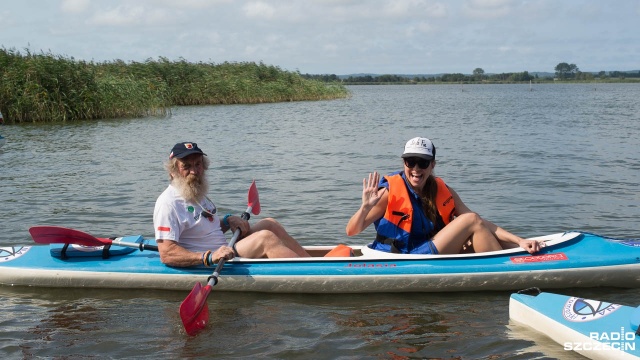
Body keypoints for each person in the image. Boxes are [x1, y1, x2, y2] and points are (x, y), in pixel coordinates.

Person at [346, 137, 542, 255]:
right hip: (403, 256)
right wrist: (365, 207)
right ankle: (511, 271)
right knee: (470, 220)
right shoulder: (389, 193)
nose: (415, 169)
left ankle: (522, 252)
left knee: (477, 229)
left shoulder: (441, 189)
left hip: (428, 250)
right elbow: (352, 231)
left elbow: (481, 223)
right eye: (410, 162)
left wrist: (519, 240)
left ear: (432, 165)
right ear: (404, 163)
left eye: (422, 163)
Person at [154, 142, 310, 268]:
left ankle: (311, 261)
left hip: (226, 250)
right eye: (186, 166)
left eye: (198, 164)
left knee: (269, 224)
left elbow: (205, 230)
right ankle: (310, 273)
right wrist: (207, 257)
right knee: (266, 238)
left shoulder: (195, 193)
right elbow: (167, 253)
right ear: (173, 171)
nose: (194, 171)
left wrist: (228, 221)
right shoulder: (168, 203)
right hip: (214, 259)